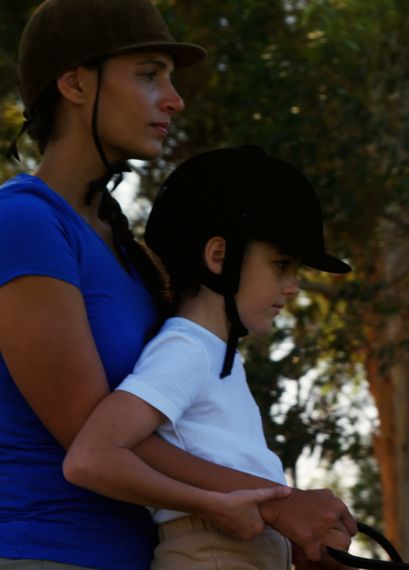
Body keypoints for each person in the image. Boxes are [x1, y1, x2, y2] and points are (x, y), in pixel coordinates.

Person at [0, 1, 355, 568]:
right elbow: (91, 435)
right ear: (74, 83)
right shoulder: (23, 223)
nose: (174, 97)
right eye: (148, 74)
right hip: (46, 549)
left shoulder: (124, 247)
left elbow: (180, 431)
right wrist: (276, 505)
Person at [64, 146, 353, 569]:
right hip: (210, 551)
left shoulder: (216, 356)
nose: (292, 286)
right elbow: (91, 457)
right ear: (218, 257)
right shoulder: (186, 349)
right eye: (281, 265)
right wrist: (212, 504)